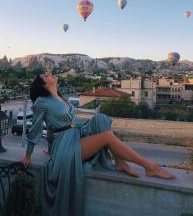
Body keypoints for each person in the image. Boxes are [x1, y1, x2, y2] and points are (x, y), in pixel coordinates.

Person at [21, 73, 175, 216]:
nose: (50, 73)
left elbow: (53, 126)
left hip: (76, 133)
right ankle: (149, 167)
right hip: (65, 145)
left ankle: (120, 162)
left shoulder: (60, 97)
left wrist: (49, 146)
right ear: (44, 85)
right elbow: (36, 130)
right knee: (107, 136)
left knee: (100, 118)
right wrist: (28, 156)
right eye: (46, 75)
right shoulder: (42, 102)